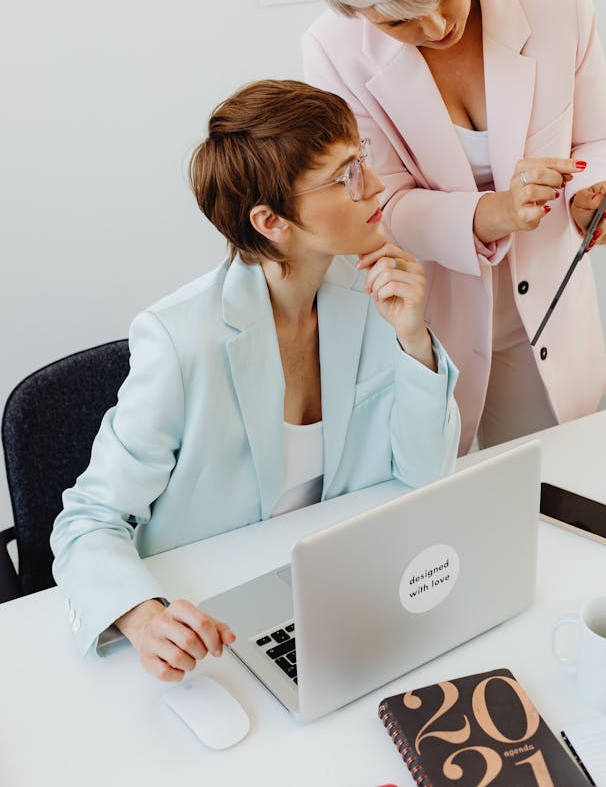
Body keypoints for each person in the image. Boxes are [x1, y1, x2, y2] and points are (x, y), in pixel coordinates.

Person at [50, 80, 459, 681]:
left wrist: (413, 340)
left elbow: (426, 477)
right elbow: (87, 520)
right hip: (214, 626)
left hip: (335, 592)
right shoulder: (180, 339)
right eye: (345, 175)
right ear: (271, 221)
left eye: (362, 160)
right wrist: (142, 619)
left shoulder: (373, 292)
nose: (374, 186)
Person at [293, 0, 606, 455]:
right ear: (355, 14)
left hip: (549, 305)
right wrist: (497, 211)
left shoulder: (559, 0)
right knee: (436, 496)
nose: (434, 26)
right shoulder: (334, 51)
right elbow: (384, 203)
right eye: (399, 21)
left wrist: (593, 196)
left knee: (558, 481)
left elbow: (603, 137)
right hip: (431, 311)